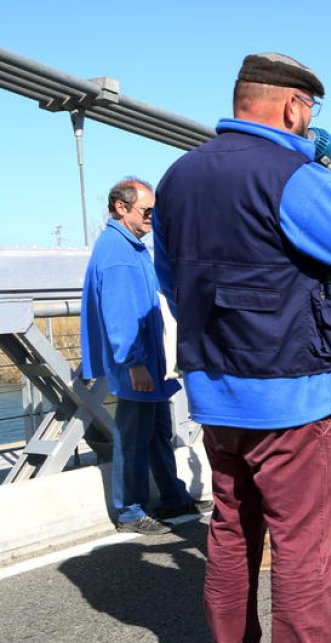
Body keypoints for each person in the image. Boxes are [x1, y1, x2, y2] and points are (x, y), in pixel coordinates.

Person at [154, 53, 331, 641]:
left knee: (231, 533)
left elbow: (170, 280)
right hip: (292, 398)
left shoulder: (176, 178)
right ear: (293, 105)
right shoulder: (292, 175)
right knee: (301, 548)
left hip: (214, 392)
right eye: (310, 110)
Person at [80, 177, 196, 535]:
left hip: (150, 363)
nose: (152, 218)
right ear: (120, 207)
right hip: (138, 365)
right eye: (147, 211)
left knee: (158, 432)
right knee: (133, 437)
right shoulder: (118, 255)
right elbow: (120, 316)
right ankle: (130, 510)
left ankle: (173, 497)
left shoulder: (130, 248)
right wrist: (134, 364)